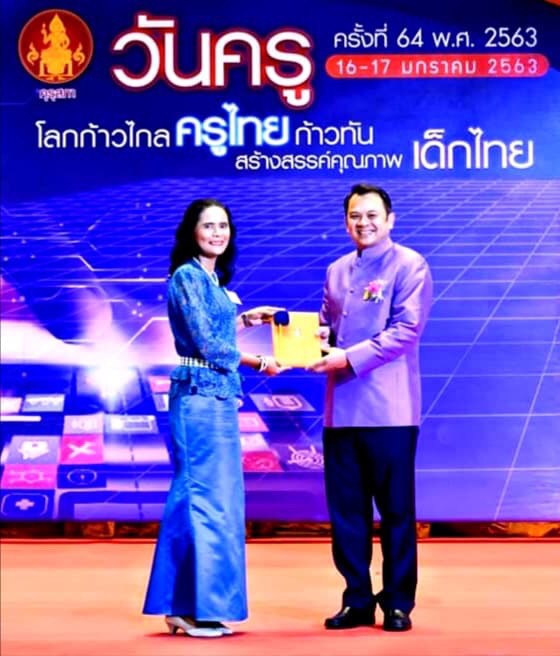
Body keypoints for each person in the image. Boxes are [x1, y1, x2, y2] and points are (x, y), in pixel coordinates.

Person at [143, 198, 284, 638]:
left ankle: (189, 604)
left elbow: (212, 329)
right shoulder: (186, 276)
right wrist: (259, 361)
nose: (218, 233)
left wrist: (245, 320)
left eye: (224, 226)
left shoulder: (212, 279)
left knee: (215, 499)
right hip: (198, 396)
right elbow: (205, 343)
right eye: (209, 225)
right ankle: (189, 607)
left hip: (218, 397)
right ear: (192, 231)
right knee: (200, 497)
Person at [308, 183, 433, 632]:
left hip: (390, 410)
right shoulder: (337, 269)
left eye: (372, 215)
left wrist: (348, 357)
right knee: (347, 514)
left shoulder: (410, 264)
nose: (363, 223)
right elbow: (325, 325)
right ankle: (357, 598)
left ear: (390, 219)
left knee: (396, 513)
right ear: (346, 222)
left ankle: (398, 602)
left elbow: (406, 330)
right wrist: (307, 340)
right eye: (355, 216)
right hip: (341, 409)